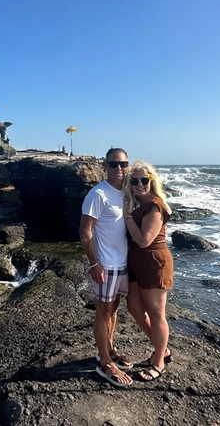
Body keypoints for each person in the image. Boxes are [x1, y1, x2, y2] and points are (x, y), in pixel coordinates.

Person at [79, 147, 133, 388]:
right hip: (105, 264)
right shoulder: (97, 194)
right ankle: (103, 361)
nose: (119, 169)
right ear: (105, 165)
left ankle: (110, 350)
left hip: (123, 263)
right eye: (114, 164)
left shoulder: (126, 192)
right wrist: (94, 263)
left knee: (113, 311)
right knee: (103, 312)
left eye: (123, 164)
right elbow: (85, 231)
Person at [123, 160, 173, 382]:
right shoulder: (139, 203)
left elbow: (144, 240)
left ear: (152, 180)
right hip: (135, 263)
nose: (139, 184)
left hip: (153, 261)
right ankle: (162, 349)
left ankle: (159, 362)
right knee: (134, 308)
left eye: (145, 180)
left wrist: (126, 217)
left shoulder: (154, 205)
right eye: (134, 180)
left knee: (156, 313)